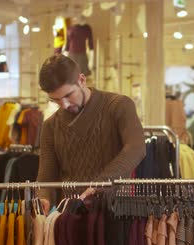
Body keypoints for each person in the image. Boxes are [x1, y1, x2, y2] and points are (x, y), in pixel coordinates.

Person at [36, 54, 146, 205]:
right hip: (71, 215)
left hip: (118, 212)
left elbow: (136, 148)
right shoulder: (50, 126)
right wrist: (43, 199)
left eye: (69, 95)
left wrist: (99, 185)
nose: (65, 105)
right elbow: (46, 178)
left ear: (82, 80)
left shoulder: (119, 106)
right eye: (56, 100)